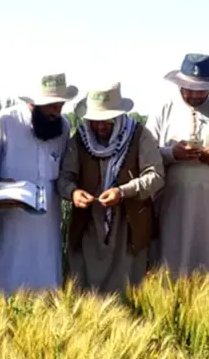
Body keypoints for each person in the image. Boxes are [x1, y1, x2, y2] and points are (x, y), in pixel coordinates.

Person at [58, 82, 165, 296]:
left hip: (127, 228)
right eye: (95, 121)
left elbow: (156, 176)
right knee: (85, 291)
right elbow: (64, 178)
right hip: (89, 227)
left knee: (126, 290)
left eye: (105, 121)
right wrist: (73, 193)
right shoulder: (79, 139)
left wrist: (123, 191)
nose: (100, 127)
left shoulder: (139, 136)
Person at [146, 53, 209, 279]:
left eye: (200, 89)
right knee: (168, 263)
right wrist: (173, 153)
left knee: (206, 263)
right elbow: (147, 155)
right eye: (188, 88)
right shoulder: (163, 110)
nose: (193, 94)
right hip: (170, 204)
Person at [0, 73, 77, 296]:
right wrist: (4, 190)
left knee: (46, 293)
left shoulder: (63, 126)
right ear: (32, 103)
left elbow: (64, 171)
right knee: (6, 289)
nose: (57, 111)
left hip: (48, 228)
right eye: (50, 106)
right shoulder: (6, 121)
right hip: (11, 226)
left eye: (60, 105)